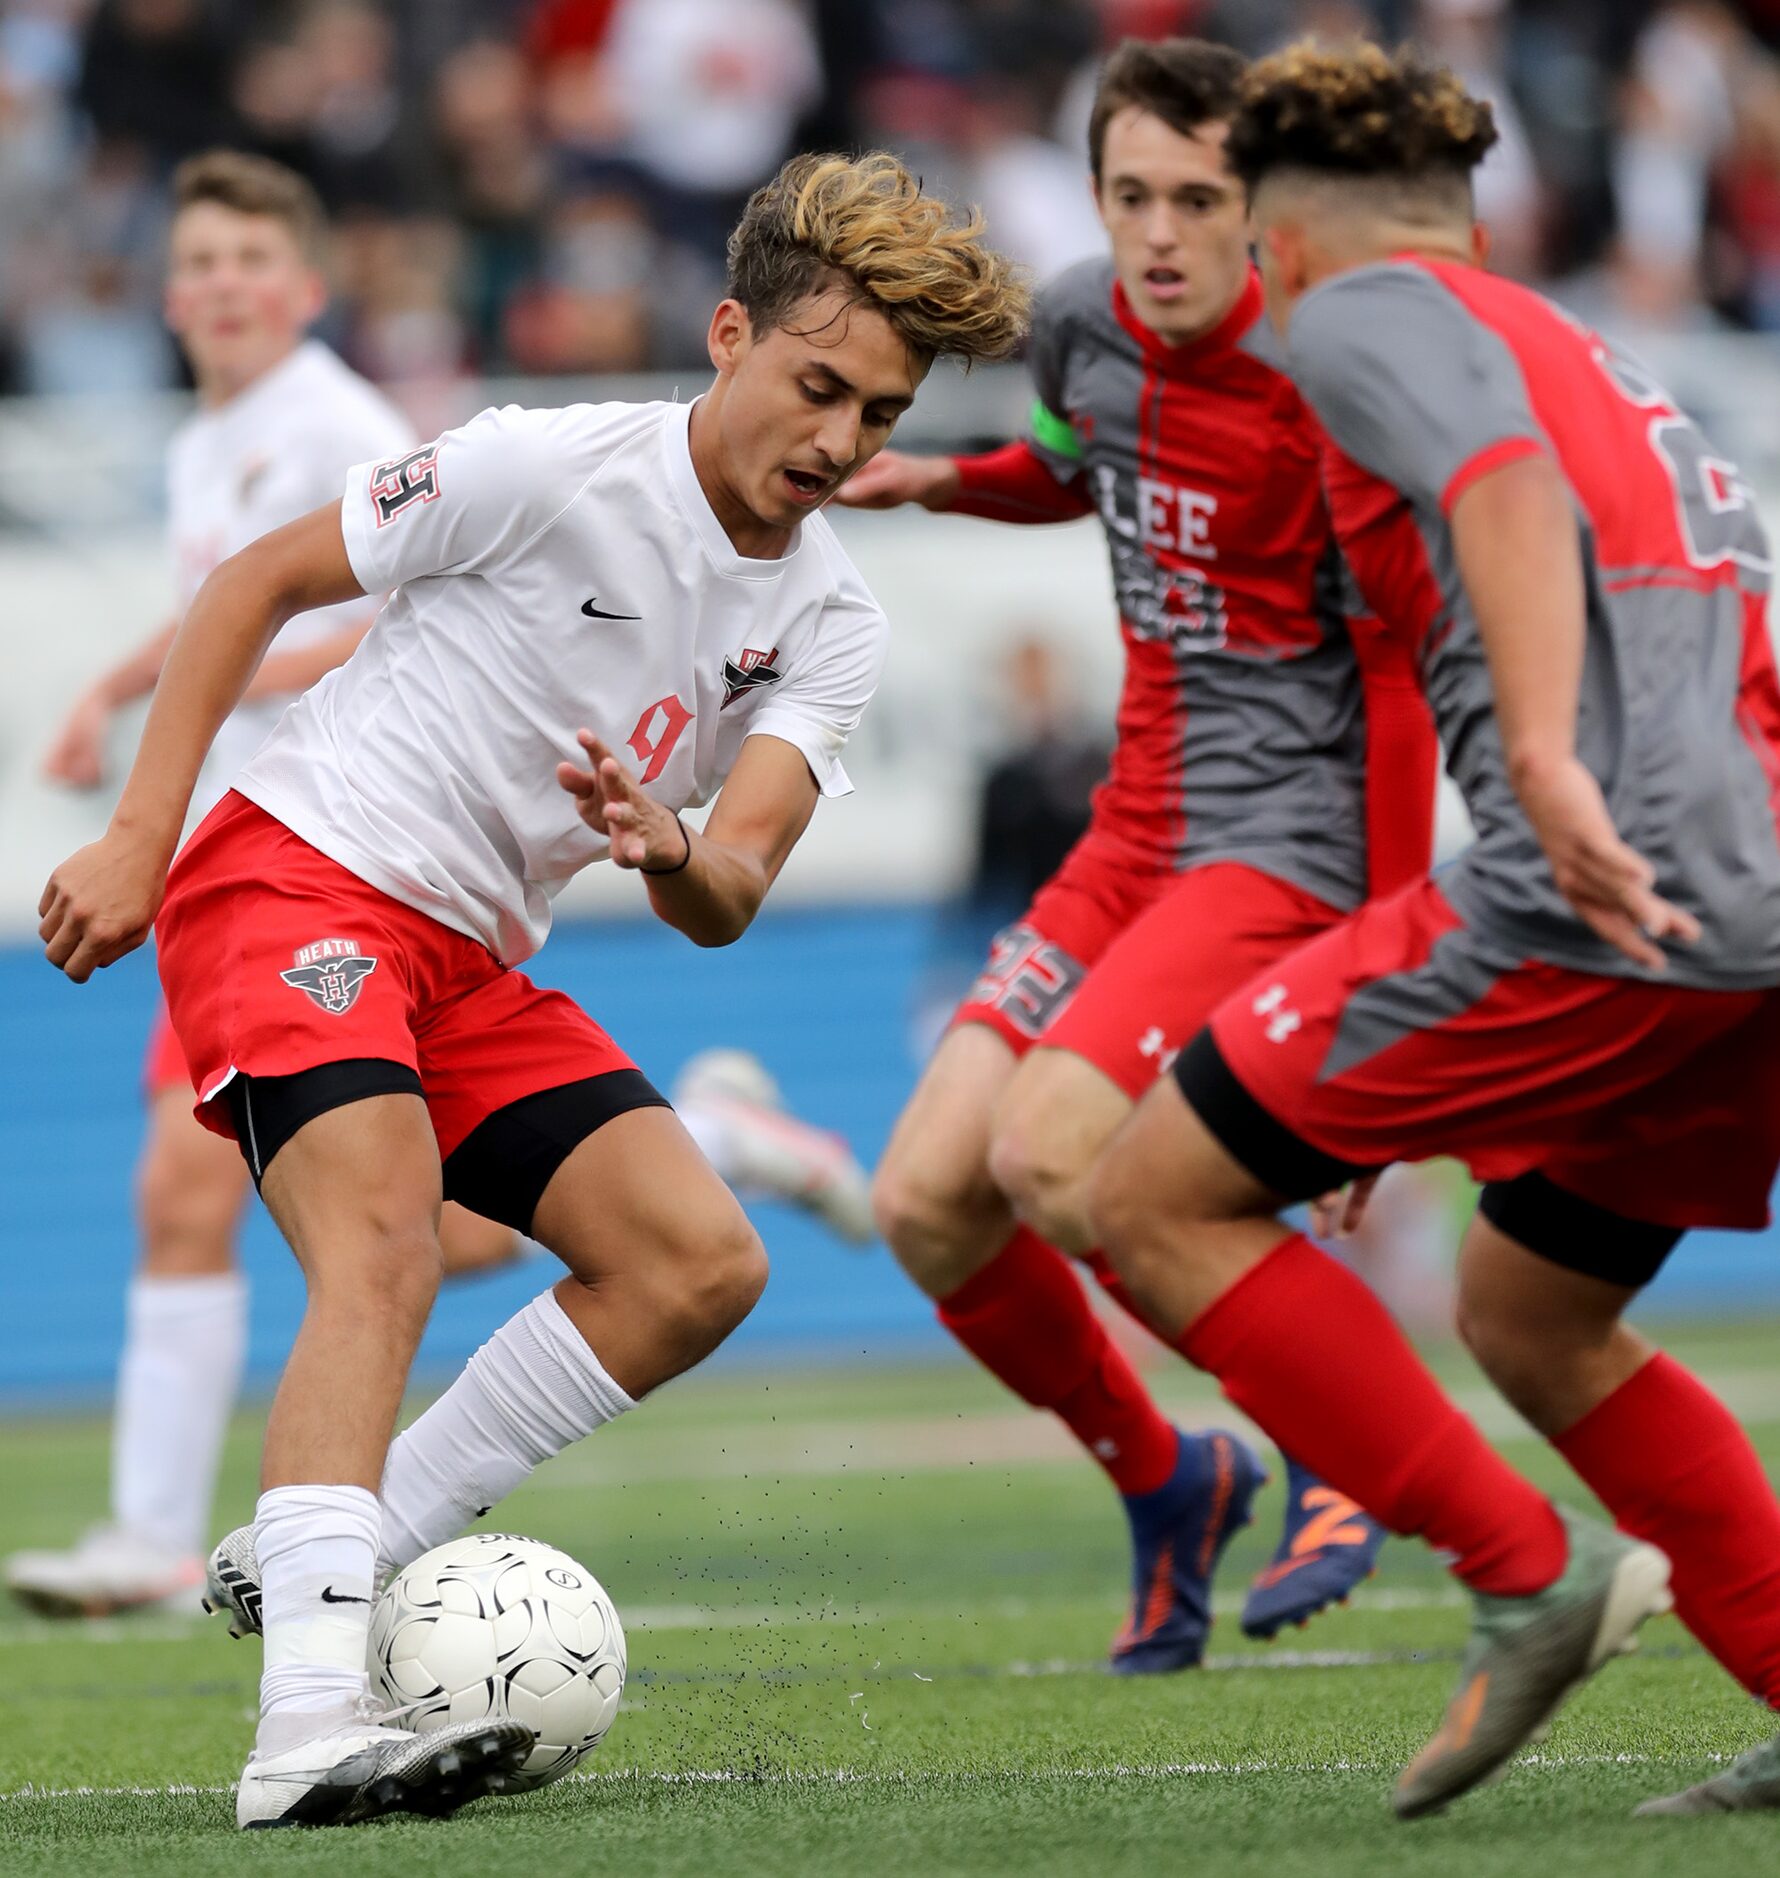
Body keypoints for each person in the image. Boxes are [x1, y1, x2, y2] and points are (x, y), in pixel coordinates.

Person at [38, 151, 1026, 1830]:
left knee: (699, 1261)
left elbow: (731, 895)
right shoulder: (543, 467)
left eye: (877, 411)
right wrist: (142, 828)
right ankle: (302, 1736)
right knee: (386, 1241)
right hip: (298, 874)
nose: (841, 443)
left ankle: (326, 1549)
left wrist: (668, 848)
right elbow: (251, 586)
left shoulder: (833, 621)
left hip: (471, 956)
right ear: (727, 336)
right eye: (817, 387)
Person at [1087, 39, 1780, 1819]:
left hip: (1620, 874)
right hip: (1746, 867)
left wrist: (1541, 756)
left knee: (1149, 1196)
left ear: (1288, 242)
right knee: (1530, 1306)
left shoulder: (1358, 315)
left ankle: (1525, 1576)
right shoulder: (1567, 337)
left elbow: (1501, 490)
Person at [842, 38, 1438, 1669]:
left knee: (1055, 1157)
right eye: (1130, 197)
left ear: (1263, 211)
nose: (1160, 234)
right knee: (928, 1203)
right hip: (1132, 833)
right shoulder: (1084, 322)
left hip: (1284, 845)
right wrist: (938, 489)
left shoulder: (1330, 386)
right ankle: (1173, 1479)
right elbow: (1068, 465)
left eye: (1198, 198)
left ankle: (1338, 1451)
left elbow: (1396, 693)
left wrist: (1377, 965)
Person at [6, 150, 520, 1625]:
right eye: (200, 263)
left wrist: (216, 674)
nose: (222, 285)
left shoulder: (336, 425)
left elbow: (403, 615)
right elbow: (208, 607)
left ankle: (153, 1538)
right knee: (418, 1219)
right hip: (240, 853)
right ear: (170, 297)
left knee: (190, 1186)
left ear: (304, 289)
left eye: (251, 262)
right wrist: (118, 689)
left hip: (320, 852)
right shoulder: (208, 438)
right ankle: (708, 1155)